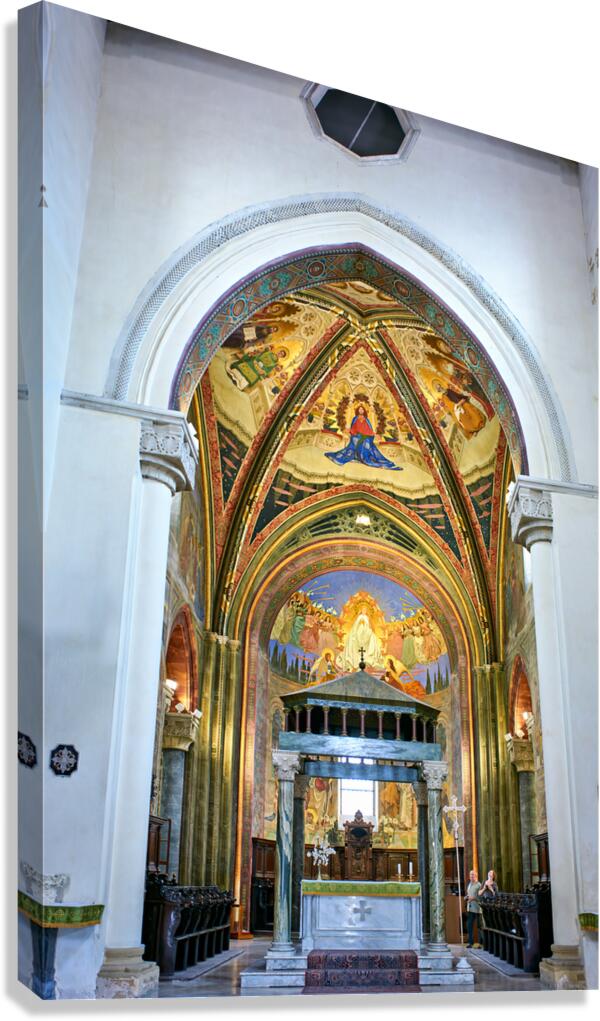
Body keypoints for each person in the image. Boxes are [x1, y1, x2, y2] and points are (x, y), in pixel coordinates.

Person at [465, 869, 483, 947]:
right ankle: (471, 942)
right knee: (469, 925)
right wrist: (466, 897)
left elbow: (481, 897)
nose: (471, 876)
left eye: (473, 875)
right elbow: (469, 894)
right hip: (470, 908)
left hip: (477, 908)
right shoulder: (469, 884)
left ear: (476, 875)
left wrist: (473, 898)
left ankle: (481, 943)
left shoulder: (478, 885)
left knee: (479, 926)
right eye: (470, 875)